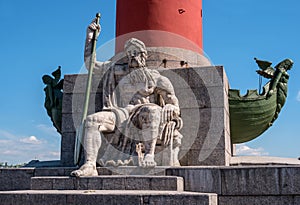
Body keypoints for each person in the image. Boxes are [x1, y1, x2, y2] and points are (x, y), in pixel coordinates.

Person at [71, 18, 183, 177]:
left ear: (143, 55)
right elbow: (91, 65)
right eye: (129, 53)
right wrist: (90, 38)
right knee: (91, 121)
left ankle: (149, 155)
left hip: (143, 113)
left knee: (152, 111)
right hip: (121, 113)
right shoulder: (118, 71)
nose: (132, 56)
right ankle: (90, 165)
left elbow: (173, 102)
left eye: (135, 52)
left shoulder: (156, 78)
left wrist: (172, 107)